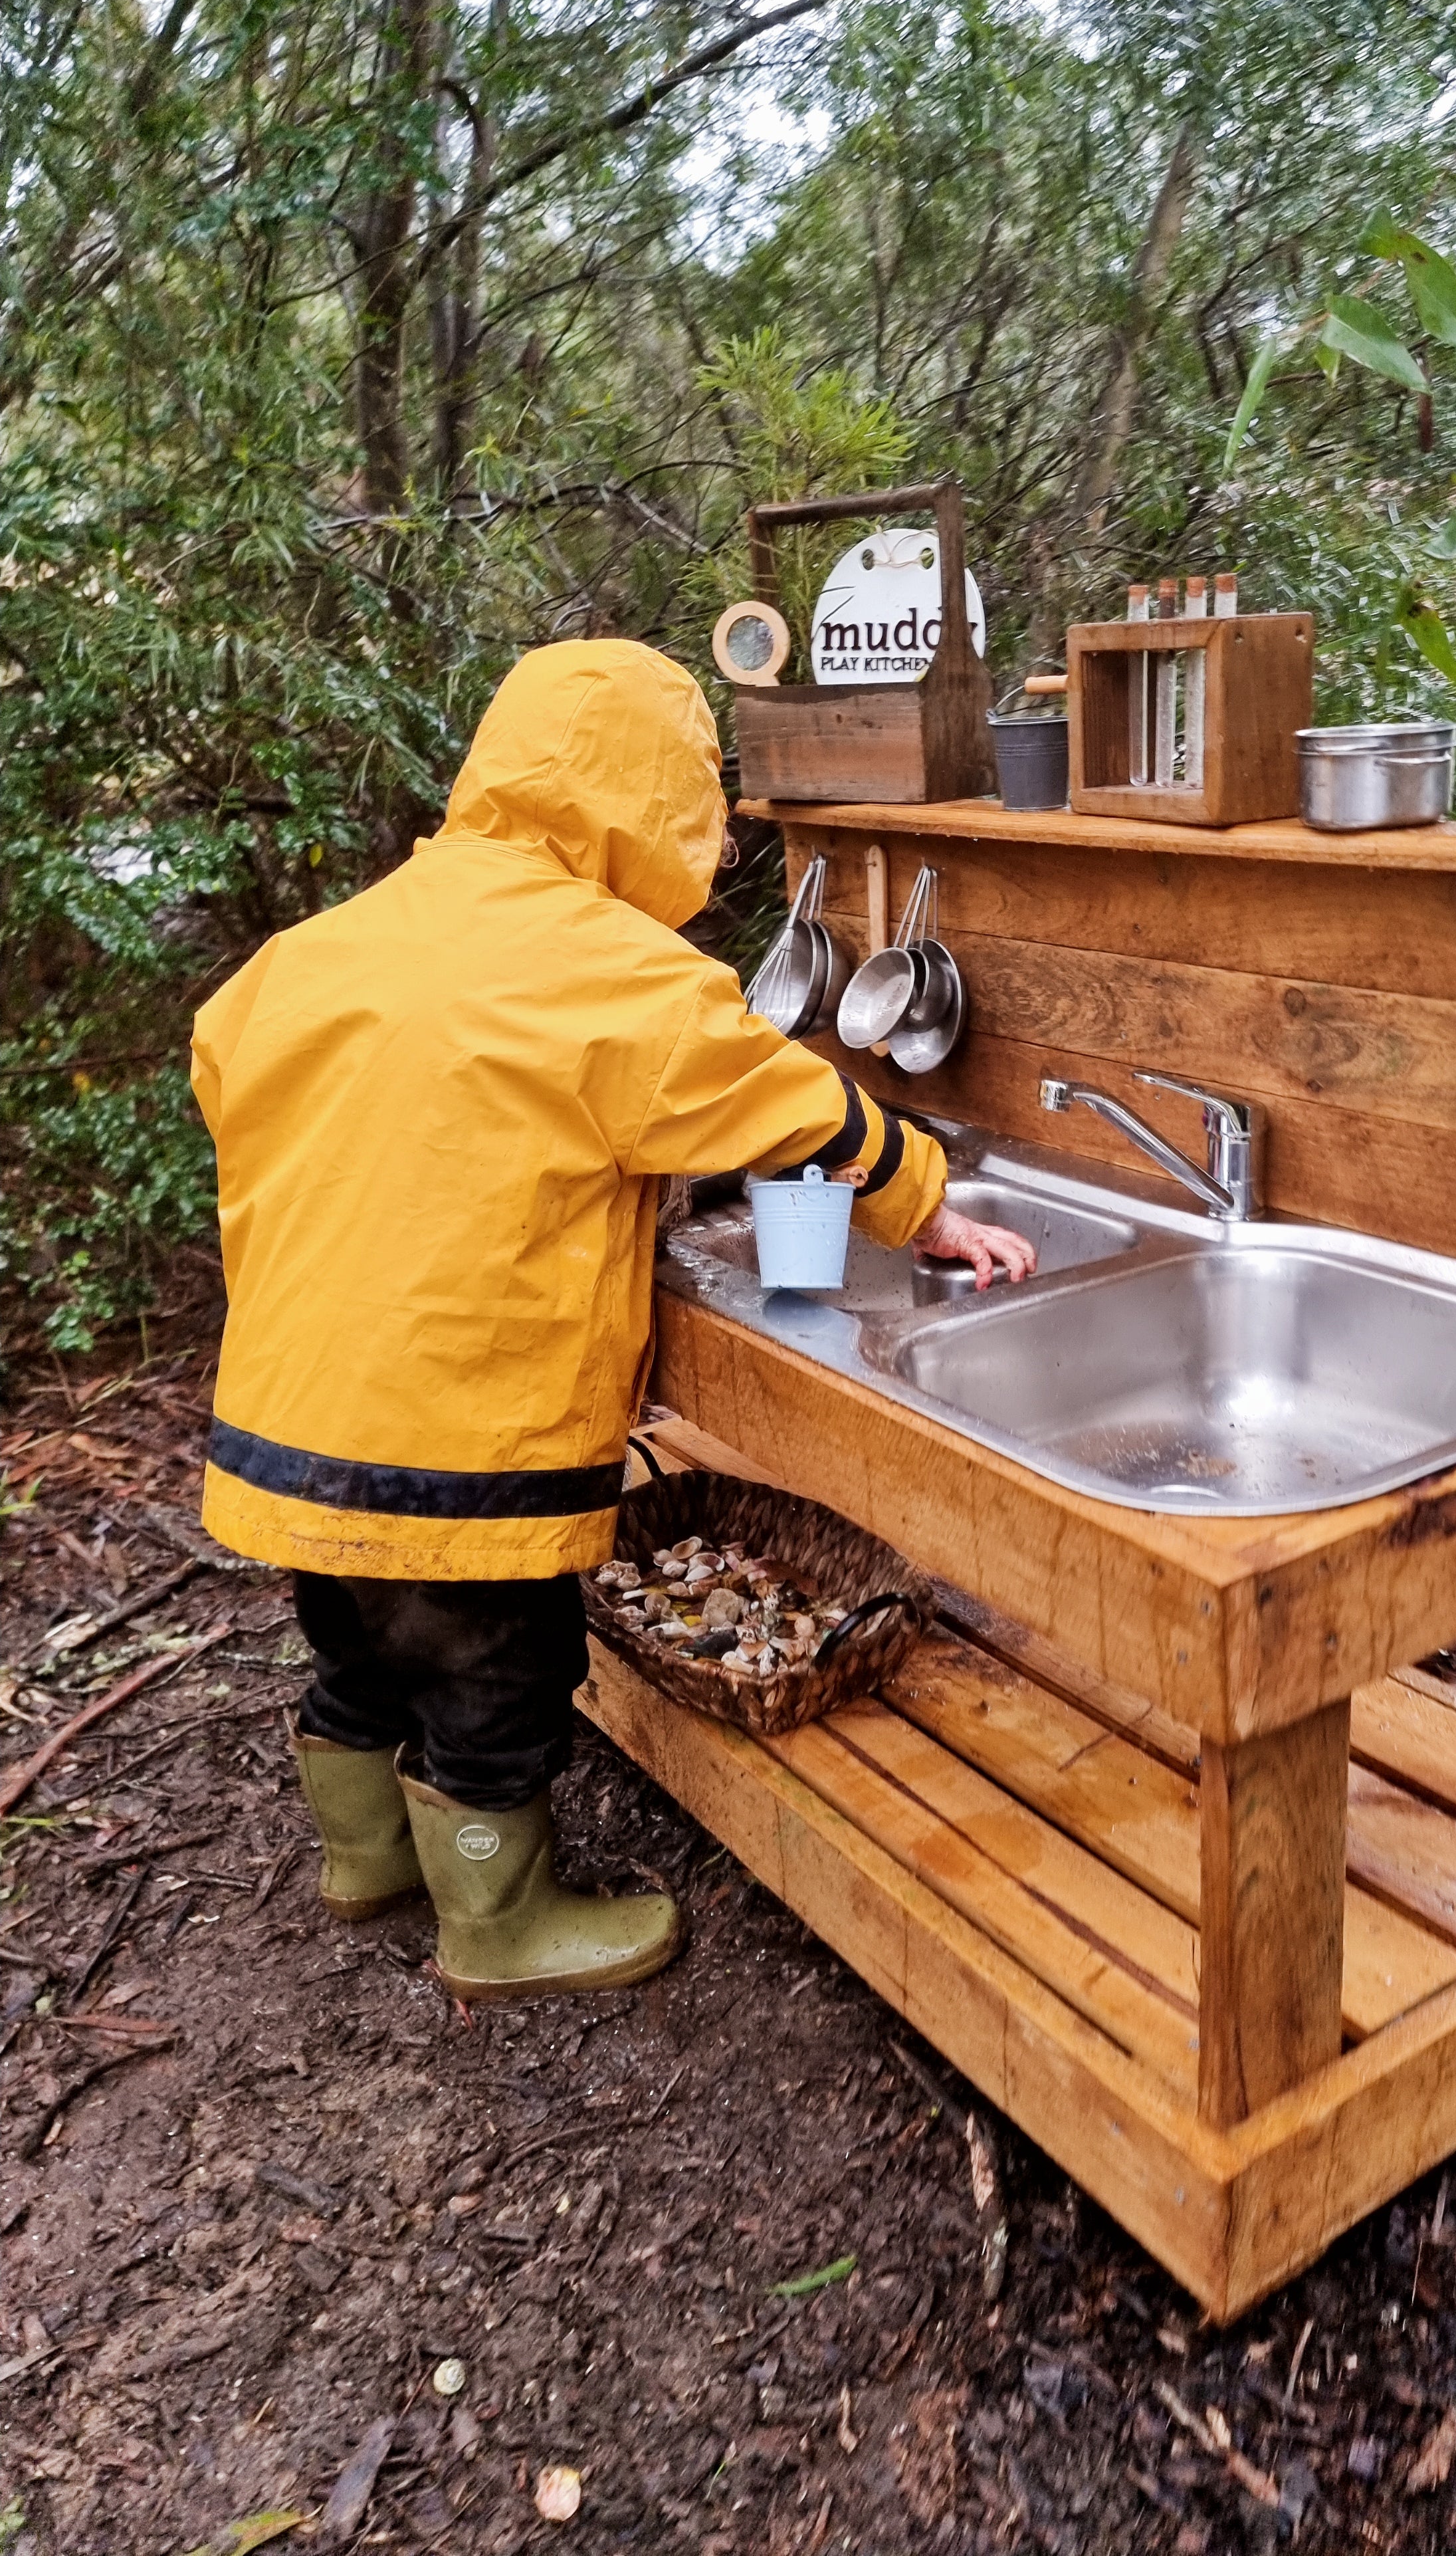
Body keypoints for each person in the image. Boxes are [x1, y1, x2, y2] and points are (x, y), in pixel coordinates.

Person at [190, 638, 1034, 2003]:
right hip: (455, 1442)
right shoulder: (606, 971)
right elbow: (785, 1099)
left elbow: (244, 1067)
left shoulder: (327, 945)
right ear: (655, 804)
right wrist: (923, 1196)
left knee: (356, 1645)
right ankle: (499, 1926)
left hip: (289, 1422)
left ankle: (365, 1862)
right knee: (498, 1681)